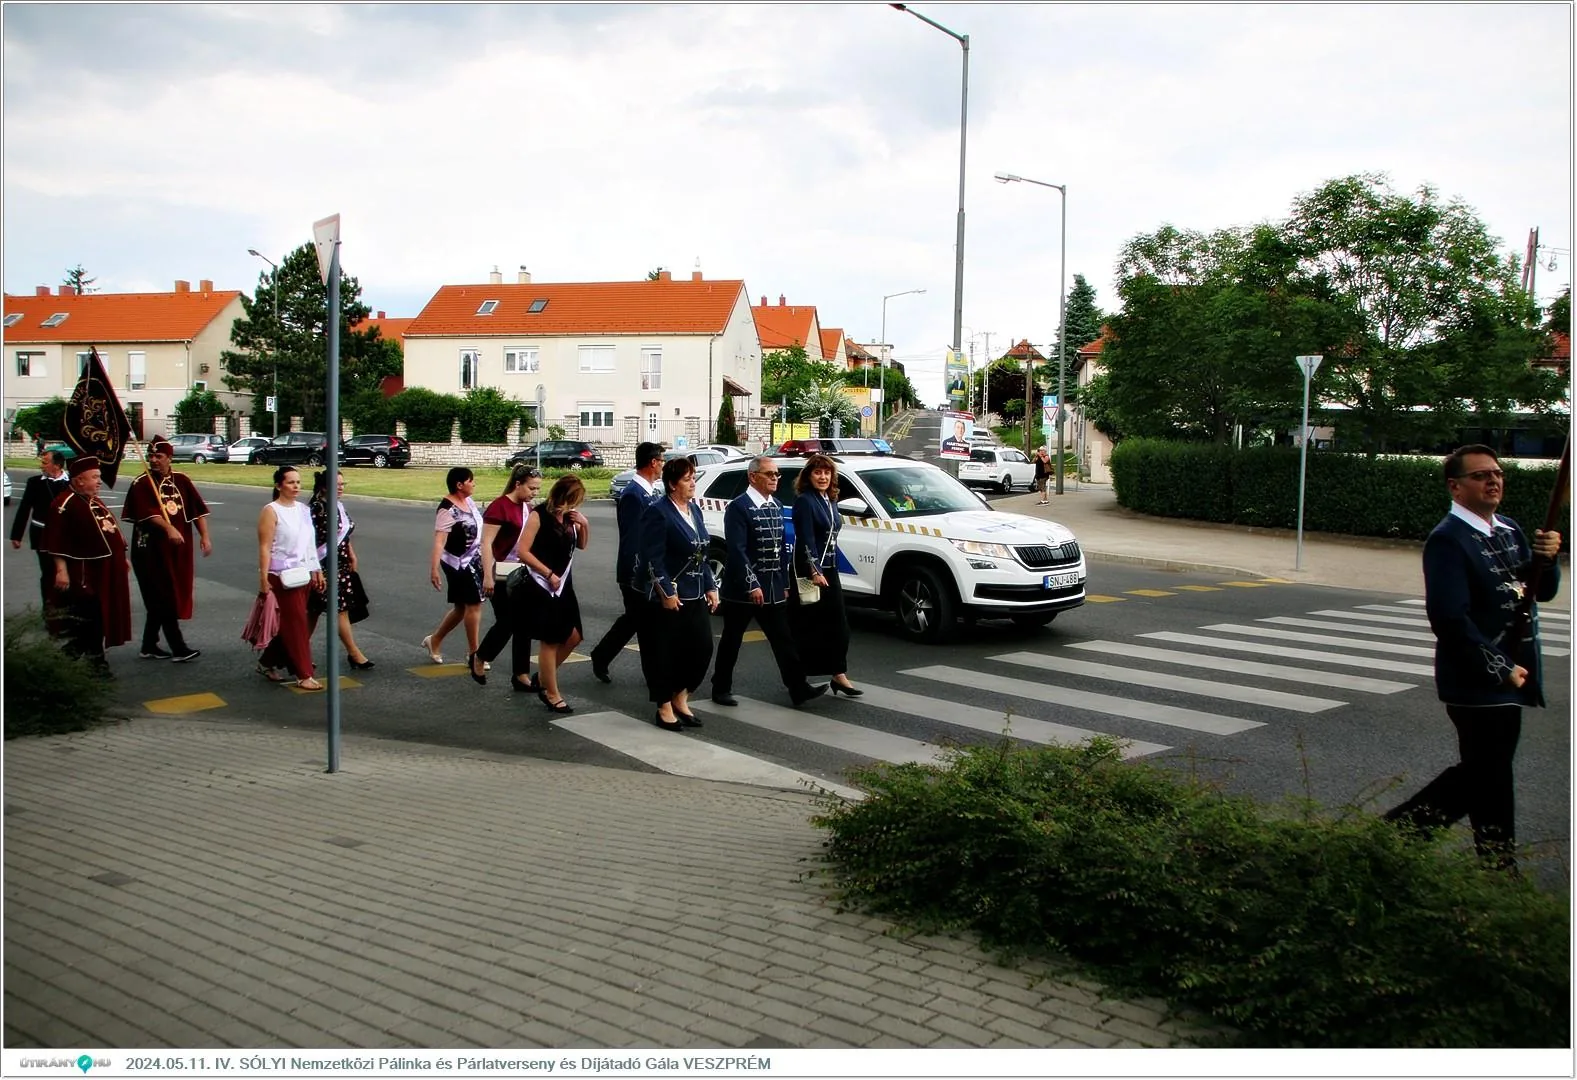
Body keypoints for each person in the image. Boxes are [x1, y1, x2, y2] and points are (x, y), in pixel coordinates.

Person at [1384, 445, 1562, 871]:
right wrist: (1500, 670)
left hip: (1516, 671)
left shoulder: (1510, 530)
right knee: (1487, 773)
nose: (1494, 481)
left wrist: (1549, 559)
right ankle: (1401, 834)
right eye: (1481, 475)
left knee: (1489, 773)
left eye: (1497, 473)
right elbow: (1448, 618)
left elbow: (1542, 590)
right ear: (1456, 487)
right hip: (1477, 677)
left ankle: (1490, 865)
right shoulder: (1448, 539)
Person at [710, 456, 827, 709]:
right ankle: (720, 687)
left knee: (783, 638)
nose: (775, 479)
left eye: (777, 475)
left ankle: (798, 687)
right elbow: (737, 550)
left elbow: (783, 551)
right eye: (769, 474)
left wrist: (784, 583)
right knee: (732, 639)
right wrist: (752, 584)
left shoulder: (776, 505)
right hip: (743, 589)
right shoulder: (739, 507)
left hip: (772, 587)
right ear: (753, 477)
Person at [639, 456, 720, 731]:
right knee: (664, 653)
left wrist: (710, 586)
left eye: (693, 478)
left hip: (695, 592)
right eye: (687, 479)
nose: (692, 483)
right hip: (668, 596)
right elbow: (653, 558)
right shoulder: (658, 512)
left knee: (702, 648)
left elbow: (702, 554)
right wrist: (665, 591)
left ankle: (681, 696)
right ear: (673, 484)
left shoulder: (694, 510)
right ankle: (663, 706)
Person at [122, 438, 211, 661]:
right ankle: (178, 647)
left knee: (159, 600)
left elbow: (196, 511)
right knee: (163, 597)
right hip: (150, 551)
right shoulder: (141, 483)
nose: (153, 460)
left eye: (158, 456)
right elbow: (148, 513)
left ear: (169, 458)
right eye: (151, 456)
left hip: (178, 549)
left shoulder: (181, 480)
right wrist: (169, 528)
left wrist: (205, 537)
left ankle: (148, 645)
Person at [40, 456, 132, 670]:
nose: (99, 482)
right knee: (91, 618)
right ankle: (90, 662)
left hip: (106, 569)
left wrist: (122, 557)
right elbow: (55, 541)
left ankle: (89, 660)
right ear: (80, 480)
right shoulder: (63, 504)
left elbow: (110, 531)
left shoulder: (94, 501)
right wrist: (61, 571)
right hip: (84, 573)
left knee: (98, 617)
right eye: (95, 477)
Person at [588, 441, 665, 682]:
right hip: (636, 572)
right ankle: (654, 675)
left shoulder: (650, 491)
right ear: (653, 462)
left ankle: (601, 655)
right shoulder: (633, 494)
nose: (663, 465)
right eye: (661, 461)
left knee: (635, 620)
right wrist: (636, 575)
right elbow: (633, 538)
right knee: (643, 622)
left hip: (649, 569)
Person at [517, 474, 590, 714]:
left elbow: (581, 546)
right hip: (542, 585)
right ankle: (551, 693)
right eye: (575, 500)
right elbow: (523, 552)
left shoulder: (570, 518)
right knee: (550, 640)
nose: (576, 505)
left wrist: (583, 524)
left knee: (574, 636)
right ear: (564, 496)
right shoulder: (539, 515)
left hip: (564, 585)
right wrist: (547, 574)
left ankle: (544, 677)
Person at [790, 454, 860, 697]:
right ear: (809, 476)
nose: (823, 477)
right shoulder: (805, 501)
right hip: (809, 570)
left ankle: (838, 674)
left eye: (826, 472)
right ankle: (798, 680)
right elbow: (806, 538)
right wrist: (814, 570)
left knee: (839, 625)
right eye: (818, 472)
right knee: (807, 625)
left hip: (829, 568)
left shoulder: (829, 499)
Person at [475, 464, 543, 692]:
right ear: (518, 484)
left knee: (523, 623)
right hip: (498, 572)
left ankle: (521, 675)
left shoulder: (526, 508)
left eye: (537, 489)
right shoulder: (499, 507)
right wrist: (487, 576)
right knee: (508, 621)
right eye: (531, 488)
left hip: (519, 573)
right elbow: (486, 544)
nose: (535, 493)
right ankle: (480, 656)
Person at [256, 466, 325, 690]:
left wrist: (316, 570)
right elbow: (265, 547)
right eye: (290, 482)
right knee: (297, 624)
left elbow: (309, 544)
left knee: (289, 623)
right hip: (280, 575)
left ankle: (267, 662)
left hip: (302, 573)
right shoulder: (271, 510)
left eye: (298, 482)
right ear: (279, 486)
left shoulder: (304, 510)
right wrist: (264, 577)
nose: (296, 486)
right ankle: (303, 673)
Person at [305, 470, 373, 670]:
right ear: (325, 487)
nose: (342, 487)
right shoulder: (317, 508)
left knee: (314, 610)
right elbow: (310, 540)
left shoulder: (338, 506)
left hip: (341, 564)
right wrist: (313, 567)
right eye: (338, 484)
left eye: (344, 484)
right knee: (337, 610)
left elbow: (345, 534)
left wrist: (351, 552)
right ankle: (354, 653)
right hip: (323, 564)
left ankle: (295, 652)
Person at [423, 467, 485, 670]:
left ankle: (435, 640)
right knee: (473, 604)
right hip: (456, 562)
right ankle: (474, 653)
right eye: (471, 480)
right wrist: (434, 569)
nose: (474, 483)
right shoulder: (447, 508)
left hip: (474, 559)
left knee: (461, 608)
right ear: (459, 485)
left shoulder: (469, 502)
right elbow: (439, 541)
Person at [10, 448, 72, 613]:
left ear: (58, 465)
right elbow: (24, 508)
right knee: (49, 572)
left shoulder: (71, 483)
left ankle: (66, 610)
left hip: (66, 536)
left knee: (67, 572)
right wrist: (16, 535)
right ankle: (50, 611)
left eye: (45, 462)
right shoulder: (35, 482)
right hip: (41, 534)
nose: (41, 466)